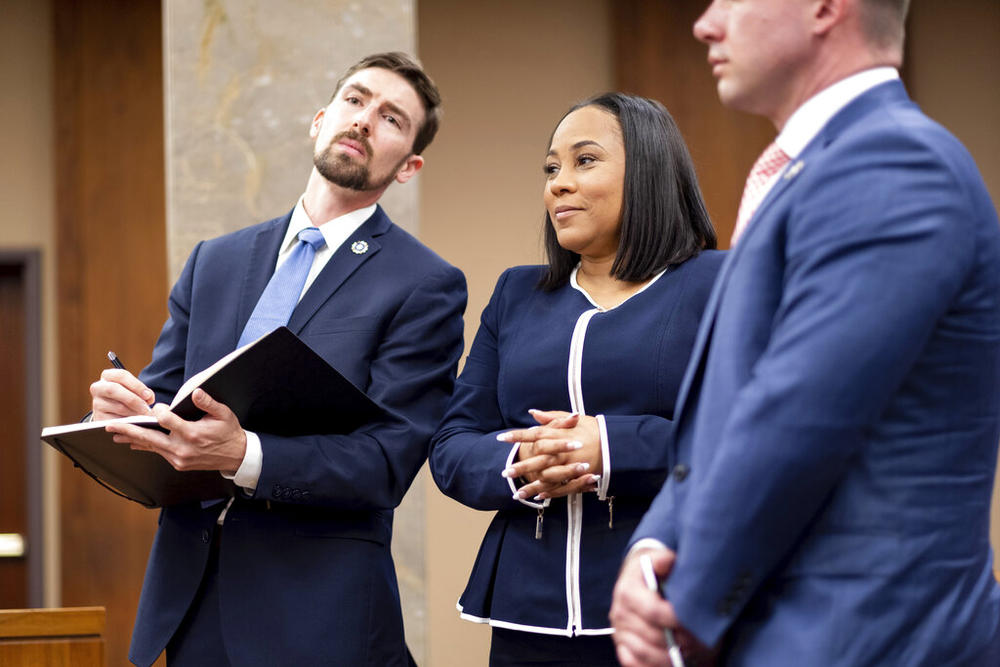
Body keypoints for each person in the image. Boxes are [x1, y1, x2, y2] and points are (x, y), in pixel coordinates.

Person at [610, 1, 1000, 665]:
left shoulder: (895, 162)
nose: (705, 23)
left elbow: (798, 415)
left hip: (867, 636)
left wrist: (687, 607)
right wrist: (649, 555)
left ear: (825, 7)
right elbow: (722, 416)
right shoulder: (805, 168)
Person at [89, 52, 467, 667]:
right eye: (355, 99)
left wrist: (246, 455)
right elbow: (162, 407)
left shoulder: (424, 284)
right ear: (319, 120)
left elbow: (386, 462)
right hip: (194, 603)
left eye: (391, 118)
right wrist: (122, 413)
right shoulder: (216, 259)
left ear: (409, 166)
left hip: (321, 615)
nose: (365, 120)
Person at [429, 92, 723, 666]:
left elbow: (743, 436)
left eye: (584, 160)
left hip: (664, 605)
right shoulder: (516, 293)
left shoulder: (720, 284)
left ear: (649, 171)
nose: (558, 183)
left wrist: (608, 447)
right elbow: (451, 445)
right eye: (551, 168)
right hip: (525, 615)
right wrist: (523, 464)